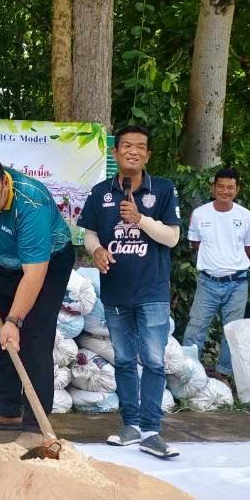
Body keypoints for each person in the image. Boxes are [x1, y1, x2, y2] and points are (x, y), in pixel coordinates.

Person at [77, 125, 182, 459]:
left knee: (153, 360)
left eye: (140, 147)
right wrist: (96, 251)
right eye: (126, 146)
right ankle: (131, 425)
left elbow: (173, 238)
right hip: (116, 291)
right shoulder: (100, 192)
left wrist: (140, 219)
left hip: (152, 291)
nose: (133, 151)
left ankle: (152, 429)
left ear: (148, 155)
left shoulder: (163, 190)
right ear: (115, 153)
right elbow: (89, 234)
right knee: (123, 360)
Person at [0, 155, 76, 433]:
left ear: (4, 183)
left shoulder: (31, 202)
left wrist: (15, 320)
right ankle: (6, 411)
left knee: (33, 339)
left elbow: (34, 273)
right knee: (1, 336)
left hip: (47, 264)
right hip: (5, 263)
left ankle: (35, 425)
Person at [182, 167, 250, 382]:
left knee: (232, 332)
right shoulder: (200, 214)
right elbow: (195, 244)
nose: (225, 191)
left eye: (230, 187)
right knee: (195, 328)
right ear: (213, 188)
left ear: (237, 190)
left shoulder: (246, 216)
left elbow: (248, 248)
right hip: (207, 282)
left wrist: (228, 263)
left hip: (237, 283)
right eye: (221, 186)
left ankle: (224, 374)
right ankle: (188, 374)